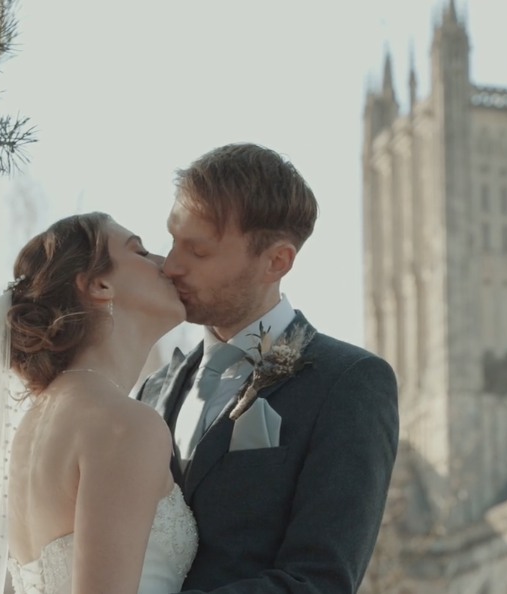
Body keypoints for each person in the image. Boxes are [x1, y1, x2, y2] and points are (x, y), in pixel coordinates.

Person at [136, 143, 399, 593]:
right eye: (173, 241)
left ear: (276, 261)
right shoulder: (150, 393)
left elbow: (318, 582)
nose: (171, 266)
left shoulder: (349, 384)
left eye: (197, 252)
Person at [0, 213, 199, 594]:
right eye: (139, 250)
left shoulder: (31, 431)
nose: (165, 264)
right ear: (99, 285)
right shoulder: (122, 424)